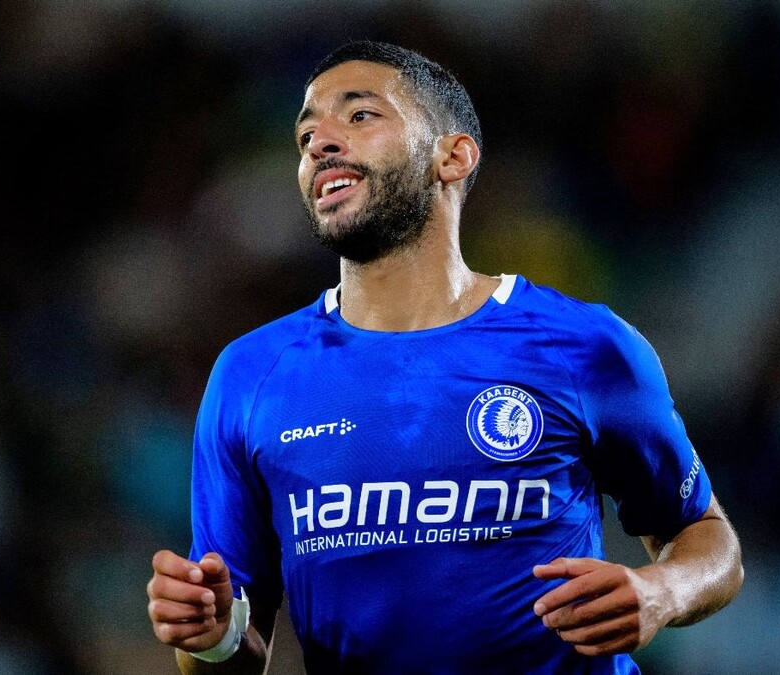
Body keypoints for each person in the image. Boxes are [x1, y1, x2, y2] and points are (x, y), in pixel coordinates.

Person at [146, 40, 743, 674]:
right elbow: (236, 650)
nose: (319, 143)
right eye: (306, 135)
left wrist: (661, 591)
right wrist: (210, 637)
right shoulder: (250, 376)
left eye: (359, 115)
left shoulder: (584, 346)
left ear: (452, 157)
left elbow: (708, 539)